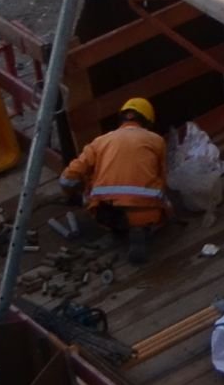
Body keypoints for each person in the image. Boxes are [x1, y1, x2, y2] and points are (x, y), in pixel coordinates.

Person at [59, 96, 172, 263]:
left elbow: (68, 178)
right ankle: (139, 228)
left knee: (93, 188)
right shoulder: (157, 141)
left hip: (106, 212)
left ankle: (119, 228)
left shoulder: (100, 142)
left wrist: (73, 194)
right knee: (161, 205)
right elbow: (162, 179)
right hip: (148, 213)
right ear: (148, 121)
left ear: (121, 119)